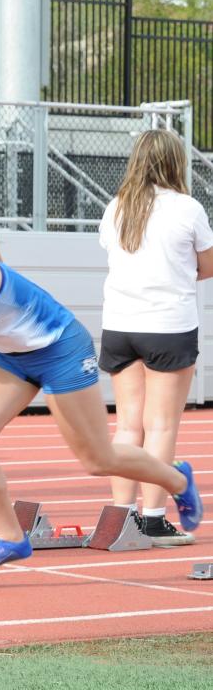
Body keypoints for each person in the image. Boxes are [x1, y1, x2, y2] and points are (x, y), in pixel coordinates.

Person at [0, 222, 204, 573]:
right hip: (13, 358)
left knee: (98, 459)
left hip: (60, 349)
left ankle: (177, 479)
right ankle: (12, 537)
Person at [99, 130, 213, 546]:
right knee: (161, 424)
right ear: (174, 163)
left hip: (119, 323)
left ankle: (121, 517)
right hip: (168, 324)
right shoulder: (188, 208)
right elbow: (207, 265)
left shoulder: (116, 207)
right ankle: (151, 517)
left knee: (128, 423)